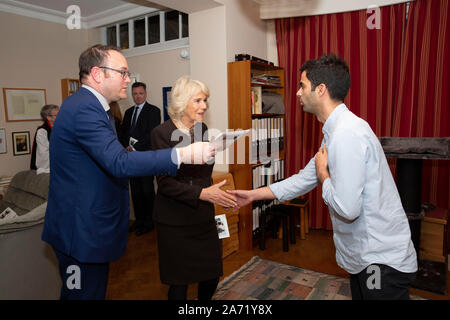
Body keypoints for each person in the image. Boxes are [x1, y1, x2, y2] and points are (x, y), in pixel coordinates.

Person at [229, 54, 417, 300]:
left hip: (379, 260)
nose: (297, 93)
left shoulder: (346, 135)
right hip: (367, 256)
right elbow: (302, 180)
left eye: (301, 85)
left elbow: (347, 208)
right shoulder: (335, 131)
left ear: (320, 90)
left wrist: (323, 176)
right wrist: (252, 195)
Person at [41, 45, 214, 300]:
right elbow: (119, 162)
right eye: (122, 72)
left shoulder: (95, 107)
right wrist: (182, 154)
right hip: (79, 232)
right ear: (98, 74)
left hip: (85, 229)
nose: (128, 79)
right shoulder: (85, 108)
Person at [151, 76, 237, 300]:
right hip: (174, 221)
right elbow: (166, 183)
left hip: (203, 216)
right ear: (182, 102)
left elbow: (202, 174)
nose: (204, 106)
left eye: (205, 100)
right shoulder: (161, 133)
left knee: (210, 276)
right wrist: (202, 192)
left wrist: (214, 191)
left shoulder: (203, 129)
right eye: (198, 100)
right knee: (179, 284)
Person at [120, 82, 161, 235]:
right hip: (130, 157)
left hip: (145, 156)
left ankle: (149, 222)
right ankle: (139, 221)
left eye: (140, 93)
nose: (137, 96)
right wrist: (125, 146)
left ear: (145, 94)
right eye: (135, 94)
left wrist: (134, 147)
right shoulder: (129, 112)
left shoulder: (154, 111)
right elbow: (124, 132)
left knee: (147, 190)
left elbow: (152, 133)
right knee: (135, 190)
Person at [30, 104, 59, 174]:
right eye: (57, 115)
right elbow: (43, 153)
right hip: (46, 168)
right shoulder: (42, 131)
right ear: (48, 117)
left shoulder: (60, 128)